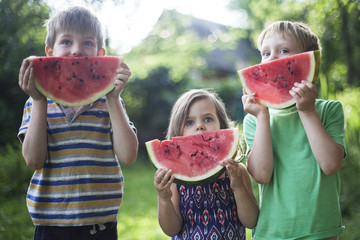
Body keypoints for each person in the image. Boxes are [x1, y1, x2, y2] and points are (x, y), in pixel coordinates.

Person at [17, 6, 138, 240]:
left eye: (87, 43)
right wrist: (40, 100)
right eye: (67, 42)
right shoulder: (35, 103)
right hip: (50, 224)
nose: (76, 51)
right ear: (49, 53)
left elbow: (128, 155)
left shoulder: (110, 103)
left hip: (101, 224)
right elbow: (33, 160)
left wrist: (113, 98)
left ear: (100, 54)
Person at [242, 21, 346, 239]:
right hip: (271, 232)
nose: (272, 59)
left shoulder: (329, 110)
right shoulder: (254, 120)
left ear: (309, 61)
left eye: (284, 50)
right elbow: (261, 175)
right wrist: (261, 116)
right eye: (266, 53)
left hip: (321, 231)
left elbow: (330, 165)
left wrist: (307, 111)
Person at [154, 89, 259, 239]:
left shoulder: (236, 171)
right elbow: (171, 229)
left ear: (222, 127)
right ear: (178, 135)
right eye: (189, 122)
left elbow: (251, 221)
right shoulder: (175, 179)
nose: (200, 126)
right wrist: (164, 198)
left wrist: (238, 187)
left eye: (208, 119)